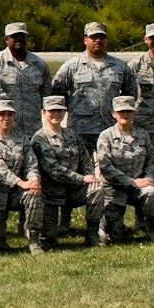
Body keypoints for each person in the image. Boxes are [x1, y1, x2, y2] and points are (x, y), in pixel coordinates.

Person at [29, 96, 109, 251]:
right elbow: (52, 169)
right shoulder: (40, 138)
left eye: (60, 111)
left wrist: (90, 176)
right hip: (51, 193)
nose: (56, 114)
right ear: (44, 113)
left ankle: (92, 235)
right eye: (52, 111)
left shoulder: (72, 135)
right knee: (49, 240)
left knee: (96, 191)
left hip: (73, 191)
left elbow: (85, 159)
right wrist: (82, 178)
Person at [50, 22, 135, 159]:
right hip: (81, 129)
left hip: (112, 128)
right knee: (83, 169)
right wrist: (71, 107)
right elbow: (56, 92)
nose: (98, 40)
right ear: (85, 40)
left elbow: (130, 94)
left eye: (101, 37)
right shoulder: (72, 66)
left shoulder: (120, 67)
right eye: (93, 37)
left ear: (106, 40)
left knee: (113, 168)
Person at [0, 100, 44, 253]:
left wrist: (33, 179)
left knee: (34, 194)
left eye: (10, 114)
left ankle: (34, 240)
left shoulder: (23, 140)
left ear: (15, 117)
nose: (6, 118)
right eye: (2, 115)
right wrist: (21, 182)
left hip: (15, 192)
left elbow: (31, 164)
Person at [93, 97, 154, 243]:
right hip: (114, 188)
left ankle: (151, 229)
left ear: (134, 114)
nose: (125, 114)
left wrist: (149, 179)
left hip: (139, 186)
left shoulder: (143, 134)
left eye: (128, 111)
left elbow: (152, 161)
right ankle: (104, 225)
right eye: (121, 112)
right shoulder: (106, 136)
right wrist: (130, 181)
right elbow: (105, 167)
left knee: (152, 194)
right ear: (114, 114)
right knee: (117, 238)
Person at [0, 23, 50, 146]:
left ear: (27, 38)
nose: (19, 39)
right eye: (14, 36)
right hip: (4, 133)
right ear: (6, 40)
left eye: (22, 36)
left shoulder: (39, 65)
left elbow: (47, 96)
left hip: (33, 131)